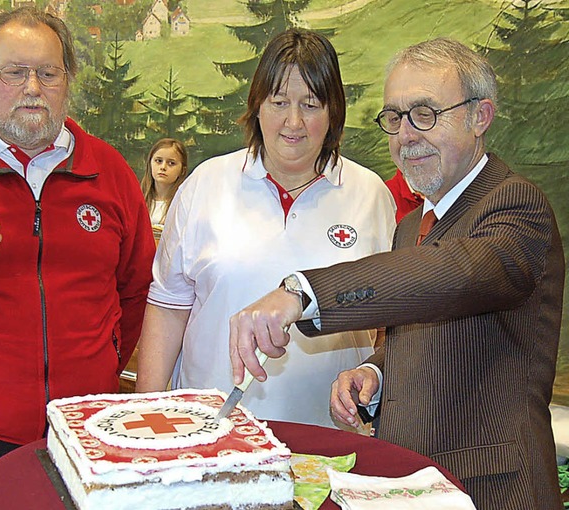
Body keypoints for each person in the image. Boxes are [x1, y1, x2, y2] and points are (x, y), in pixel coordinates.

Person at [228, 37, 564, 510]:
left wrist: (301, 294)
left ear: (479, 116)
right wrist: (375, 372)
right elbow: (424, 324)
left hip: (490, 490)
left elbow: (451, 276)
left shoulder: (515, 205)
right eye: (395, 117)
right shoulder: (411, 226)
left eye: (425, 113)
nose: (406, 135)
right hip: (406, 483)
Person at [0, 7, 155, 509]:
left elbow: (139, 289)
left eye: (49, 72)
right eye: (14, 72)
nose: (33, 87)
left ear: (67, 80)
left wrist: (98, 367)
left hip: (85, 432)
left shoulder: (109, 171)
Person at [136, 28, 396, 428]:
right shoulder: (206, 184)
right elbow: (168, 307)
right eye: (279, 102)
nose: (293, 122)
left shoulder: (371, 196)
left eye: (311, 104)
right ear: (257, 106)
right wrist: (148, 413)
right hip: (209, 428)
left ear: (333, 113)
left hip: (325, 436)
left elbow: (389, 320)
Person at [140, 137, 189, 243]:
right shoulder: (137, 200)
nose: (163, 167)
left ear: (182, 170)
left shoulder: (185, 204)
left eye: (171, 163)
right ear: (150, 163)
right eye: (158, 161)